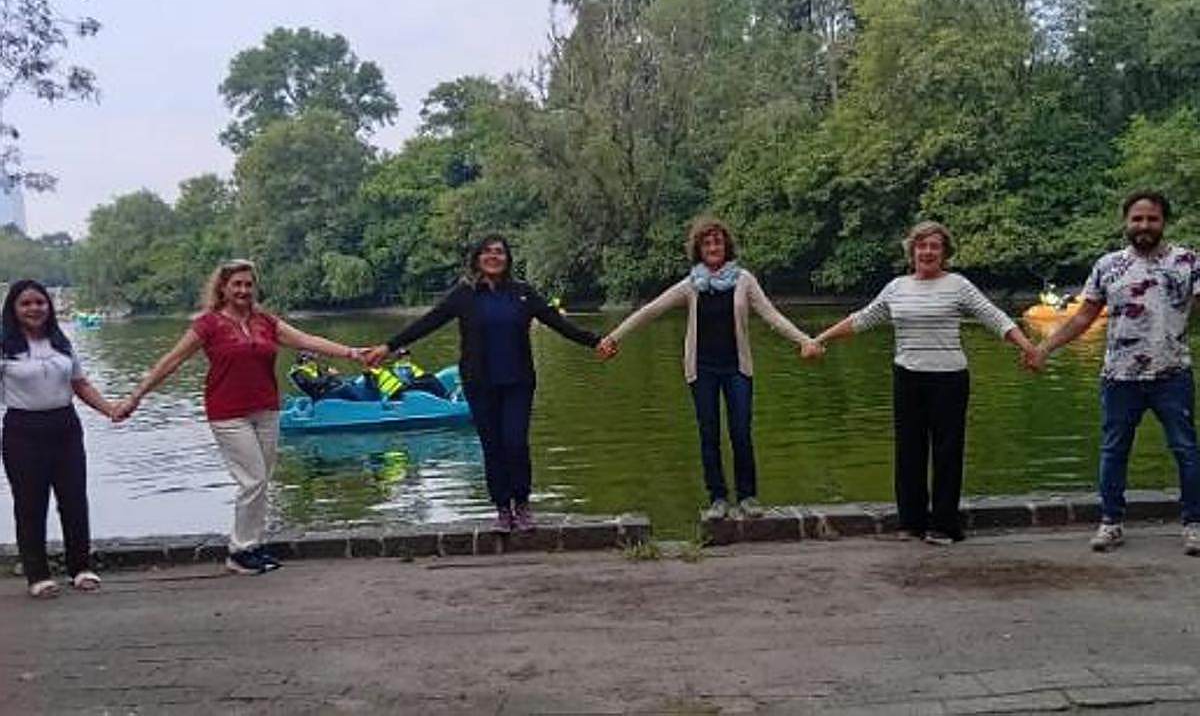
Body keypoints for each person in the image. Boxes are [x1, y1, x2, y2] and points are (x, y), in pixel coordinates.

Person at [113, 259, 365, 575]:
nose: (244, 290)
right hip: (228, 413)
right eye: (237, 284)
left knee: (262, 479)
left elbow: (307, 340)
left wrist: (352, 353)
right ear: (223, 287)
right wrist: (135, 396)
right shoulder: (208, 324)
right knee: (253, 479)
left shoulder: (265, 322)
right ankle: (239, 550)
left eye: (248, 284)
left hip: (266, 409)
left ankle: (254, 545)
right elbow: (172, 360)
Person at [815, 221, 1038, 545]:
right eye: (921, 245)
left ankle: (944, 525)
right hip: (907, 376)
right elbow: (862, 319)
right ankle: (911, 522)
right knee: (909, 450)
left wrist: (1028, 346)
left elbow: (994, 316)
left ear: (944, 252)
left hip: (949, 377)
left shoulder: (958, 285)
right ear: (912, 251)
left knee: (947, 451)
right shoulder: (896, 288)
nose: (928, 251)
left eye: (935, 246)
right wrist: (820, 339)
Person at [362, 235, 602, 533]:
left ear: (507, 259)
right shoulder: (464, 296)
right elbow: (428, 322)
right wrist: (388, 346)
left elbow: (559, 324)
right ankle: (503, 508)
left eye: (499, 252)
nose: (493, 256)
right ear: (477, 258)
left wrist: (596, 342)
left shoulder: (523, 294)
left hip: (518, 382)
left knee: (515, 443)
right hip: (480, 383)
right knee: (493, 446)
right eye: (487, 252)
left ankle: (522, 504)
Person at [597, 217, 823, 521]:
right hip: (701, 369)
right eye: (706, 243)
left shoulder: (744, 280)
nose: (713, 247)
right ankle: (717, 497)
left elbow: (772, 316)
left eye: (717, 241)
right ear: (698, 250)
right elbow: (650, 311)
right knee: (709, 433)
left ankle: (747, 496)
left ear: (726, 245)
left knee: (741, 432)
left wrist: (805, 340)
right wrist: (613, 337)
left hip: (737, 368)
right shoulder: (692, 285)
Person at [1025, 191, 1200, 555]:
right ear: (1125, 222)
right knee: (1113, 451)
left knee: (1185, 450)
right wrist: (1044, 348)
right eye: (1137, 219)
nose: (1144, 226)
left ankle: (1193, 524)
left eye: (1152, 219)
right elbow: (1084, 316)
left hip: (1172, 373)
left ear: (1164, 221)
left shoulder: (1187, 262)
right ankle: (1111, 522)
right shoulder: (1108, 266)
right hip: (1119, 377)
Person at [1, 279, 120, 598]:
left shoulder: (61, 343)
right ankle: (37, 575)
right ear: (14, 308)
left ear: (48, 306)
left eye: (39, 302)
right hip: (23, 430)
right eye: (26, 304)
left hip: (65, 426)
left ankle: (80, 567)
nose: (34, 309)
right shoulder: (4, 347)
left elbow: (80, 384)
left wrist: (110, 409)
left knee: (73, 499)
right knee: (30, 503)